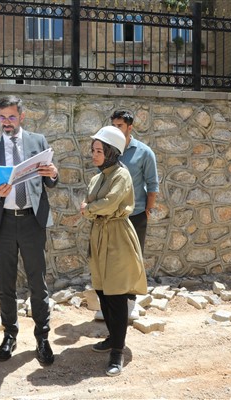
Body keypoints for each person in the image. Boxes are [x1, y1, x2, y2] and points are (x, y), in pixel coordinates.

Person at [0, 95, 58, 366]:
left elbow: (50, 182)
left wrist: (53, 173)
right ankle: (9, 335)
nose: (6, 122)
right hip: (4, 223)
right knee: (6, 284)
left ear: (22, 117)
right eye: (2, 117)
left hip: (32, 221)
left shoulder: (38, 141)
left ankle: (42, 337)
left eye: (11, 117)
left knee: (38, 283)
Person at [80, 126, 148, 377]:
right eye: (93, 150)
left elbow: (108, 204)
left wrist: (89, 209)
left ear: (111, 152)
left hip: (118, 237)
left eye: (99, 151)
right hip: (99, 236)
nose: (94, 155)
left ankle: (117, 351)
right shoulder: (97, 178)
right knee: (102, 291)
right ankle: (113, 337)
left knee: (116, 294)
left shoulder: (122, 175)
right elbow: (93, 204)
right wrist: (92, 209)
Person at [110, 110, 159, 251]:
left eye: (120, 126)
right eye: (114, 126)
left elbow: (152, 184)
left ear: (130, 127)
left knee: (134, 258)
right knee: (113, 258)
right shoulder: (107, 151)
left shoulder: (145, 152)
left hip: (136, 215)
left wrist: (148, 210)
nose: (116, 129)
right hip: (111, 215)